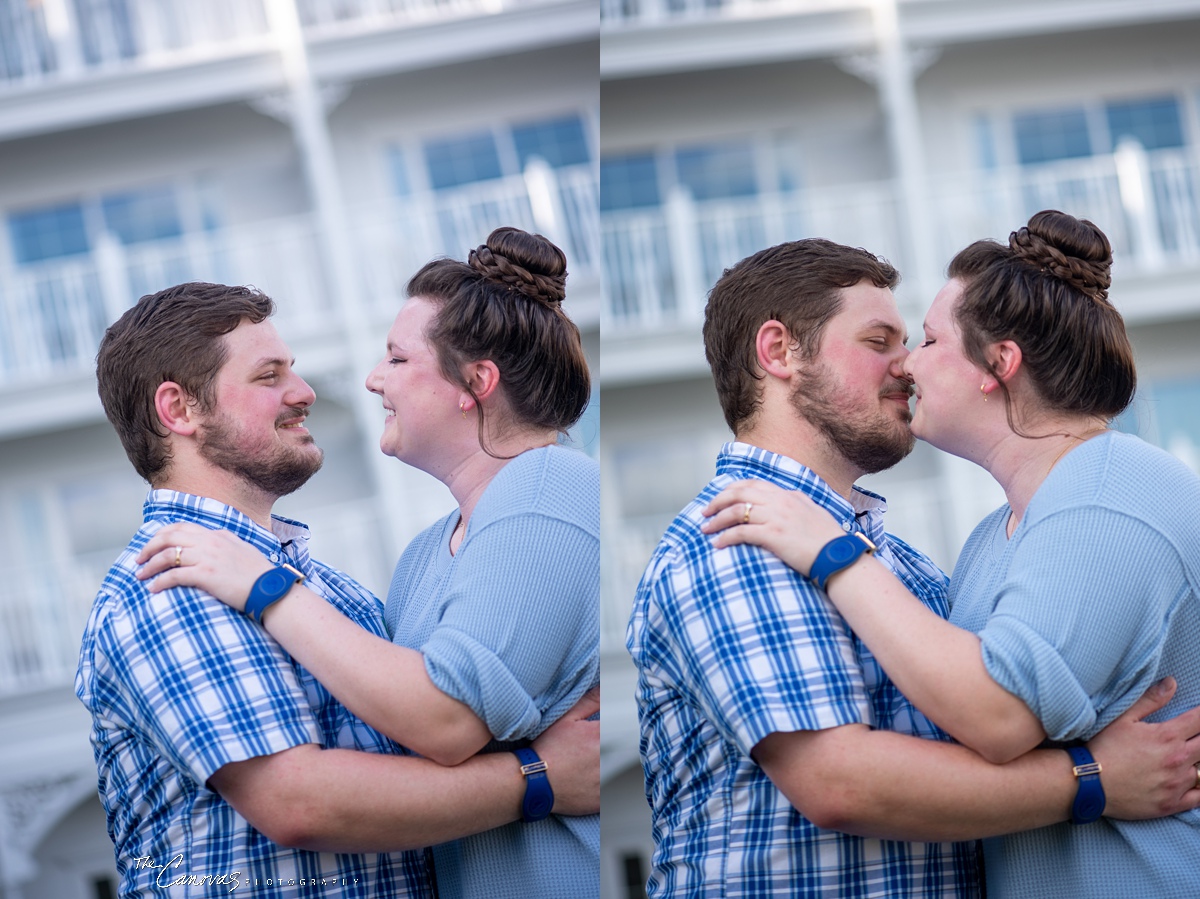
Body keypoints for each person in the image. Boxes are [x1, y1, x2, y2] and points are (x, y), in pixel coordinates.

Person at [627, 235, 1200, 897]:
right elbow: (839, 782)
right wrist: (1093, 777)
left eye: (920, 342)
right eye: (881, 341)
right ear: (779, 350)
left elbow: (994, 723)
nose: (906, 366)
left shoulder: (908, 567)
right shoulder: (733, 538)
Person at [78, 279, 599, 899]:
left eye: (292, 371)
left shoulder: (337, 594)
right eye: (269, 375)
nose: (304, 392)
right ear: (179, 410)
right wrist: (537, 778)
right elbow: (298, 803)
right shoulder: (167, 584)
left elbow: (435, 726)